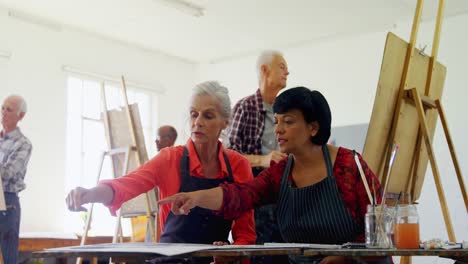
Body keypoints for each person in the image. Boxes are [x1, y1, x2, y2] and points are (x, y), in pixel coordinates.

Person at [161, 87, 391, 264]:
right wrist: (196, 197)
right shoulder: (280, 173)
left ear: (313, 127)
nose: (278, 129)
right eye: (277, 121)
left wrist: (345, 259)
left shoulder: (350, 166)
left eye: (288, 122)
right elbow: (242, 195)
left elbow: (380, 230)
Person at [66, 81, 256, 263]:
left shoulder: (238, 165)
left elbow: (245, 233)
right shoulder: (169, 158)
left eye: (208, 116)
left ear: (225, 122)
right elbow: (126, 185)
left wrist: (230, 253)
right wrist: (90, 194)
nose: (197, 122)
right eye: (193, 114)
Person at [224, 50, 289, 262]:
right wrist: (263, 160)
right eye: (281, 66)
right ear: (264, 70)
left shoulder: (285, 110)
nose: (287, 71)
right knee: (261, 254)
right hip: (257, 199)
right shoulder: (245, 107)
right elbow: (229, 155)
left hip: (284, 196)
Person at [0, 95, 32, 264]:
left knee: (7, 259)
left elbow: (8, 173)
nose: (3, 113)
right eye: (2, 108)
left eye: (9, 109)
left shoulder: (23, 144)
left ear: (21, 116)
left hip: (7, 204)